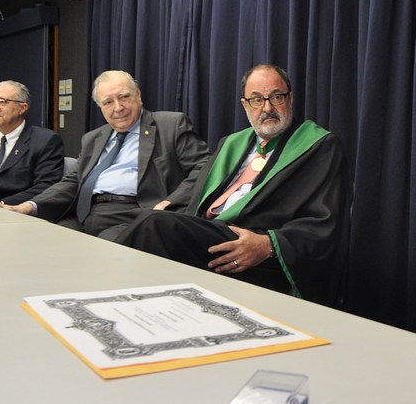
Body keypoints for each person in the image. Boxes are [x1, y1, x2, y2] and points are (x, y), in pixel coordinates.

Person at [117, 64, 351, 305]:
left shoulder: (319, 146)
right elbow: (197, 197)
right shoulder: (231, 143)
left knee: (154, 225)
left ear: (290, 99)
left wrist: (268, 244)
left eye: (276, 97)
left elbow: (325, 221)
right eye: (257, 100)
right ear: (244, 105)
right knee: (146, 224)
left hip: (255, 249)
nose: (268, 108)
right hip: (212, 236)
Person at [0, 70, 209, 240]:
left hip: (134, 214)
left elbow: (204, 167)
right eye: (108, 102)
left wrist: (169, 202)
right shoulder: (93, 138)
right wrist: (29, 206)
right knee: (43, 240)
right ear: (100, 107)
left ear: (138, 96)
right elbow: (73, 181)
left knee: (98, 254)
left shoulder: (170, 125)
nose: (118, 108)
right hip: (86, 212)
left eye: (124, 97)